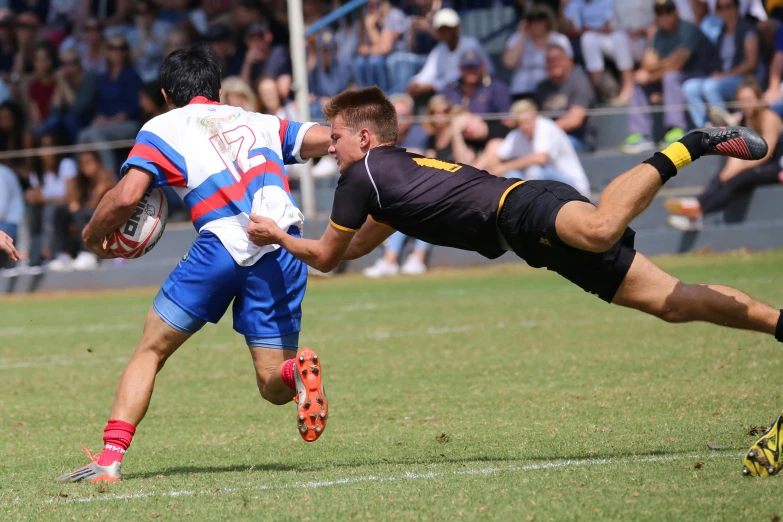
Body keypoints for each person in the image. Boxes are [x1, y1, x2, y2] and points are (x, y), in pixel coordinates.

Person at [247, 88, 783, 479]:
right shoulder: (393, 174)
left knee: (599, 229)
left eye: (335, 137)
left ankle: (693, 142)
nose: (328, 147)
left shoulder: (359, 176)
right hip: (527, 236)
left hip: (523, 205)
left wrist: (275, 234)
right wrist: (305, 244)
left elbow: (325, 256)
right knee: (671, 303)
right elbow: (357, 245)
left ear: (363, 136)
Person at [55, 45, 332, 483]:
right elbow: (323, 137)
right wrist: (353, 138)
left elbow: (126, 197)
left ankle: (109, 460)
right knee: (271, 385)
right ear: (219, 90)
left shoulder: (164, 126)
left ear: (167, 94)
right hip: (282, 246)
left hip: (220, 246)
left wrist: (91, 237)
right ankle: (294, 371)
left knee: (151, 350)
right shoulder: (256, 120)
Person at [665, 79, 783, 230]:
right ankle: (695, 210)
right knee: (722, 177)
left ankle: (697, 207)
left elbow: (766, 154)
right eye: (741, 101)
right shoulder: (744, 119)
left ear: (758, 99)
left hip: (774, 167)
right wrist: (730, 170)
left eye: (748, 100)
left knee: (738, 178)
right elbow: (737, 152)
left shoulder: (769, 117)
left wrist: (738, 169)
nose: (745, 104)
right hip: (754, 165)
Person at [621, 0, 719, 154]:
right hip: (676, 77)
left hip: (701, 74)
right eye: (660, 13)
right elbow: (648, 63)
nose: (665, 17)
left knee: (670, 77)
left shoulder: (688, 29)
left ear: (676, 13)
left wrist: (654, 71)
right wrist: (655, 69)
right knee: (640, 81)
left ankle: (676, 129)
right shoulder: (659, 34)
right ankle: (641, 134)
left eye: (668, 12)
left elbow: (678, 63)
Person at [476, 100, 591, 197]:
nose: (525, 126)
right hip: (546, 187)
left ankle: (530, 206)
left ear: (535, 117)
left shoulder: (545, 126)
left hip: (573, 185)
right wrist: (483, 172)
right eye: (521, 123)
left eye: (528, 121)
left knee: (534, 171)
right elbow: (497, 155)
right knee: (511, 174)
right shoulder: (517, 134)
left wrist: (504, 167)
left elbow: (540, 159)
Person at [682, 0, 758, 128]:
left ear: (737, 7)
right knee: (689, 87)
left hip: (743, 78)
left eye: (729, 6)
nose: (725, 11)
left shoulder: (747, 30)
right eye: (720, 7)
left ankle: (724, 127)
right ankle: (704, 127)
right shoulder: (720, 31)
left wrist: (725, 75)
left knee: (711, 86)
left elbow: (751, 64)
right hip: (721, 77)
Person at [406, 8, 493, 102]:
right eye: (441, 29)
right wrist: (415, 83)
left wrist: (433, 85)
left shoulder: (470, 45)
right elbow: (428, 73)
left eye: (448, 29)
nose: (444, 32)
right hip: (450, 93)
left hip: (476, 91)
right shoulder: (439, 49)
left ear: (456, 28)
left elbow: (463, 75)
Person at [565, 0, 636, 104]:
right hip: (585, 42)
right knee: (588, 39)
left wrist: (587, 30)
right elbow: (571, 28)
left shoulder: (607, 2)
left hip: (610, 39)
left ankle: (628, 85)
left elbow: (608, 27)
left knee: (619, 37)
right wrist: (563, 5)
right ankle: (597, 88)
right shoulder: (574, 3)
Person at [502, 4, 572, 101]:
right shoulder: (517, 38)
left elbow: (569, 65)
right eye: (532, 21)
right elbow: (509, 63)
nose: (535, 25)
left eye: (540, 21)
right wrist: (522, 35)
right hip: (523, 90)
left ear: (548, 22)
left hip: (551, 88)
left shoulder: (559, 39)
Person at [535, 42, 596, 152]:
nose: (554, 63)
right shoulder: (542, 87)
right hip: (548, 139)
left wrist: (543, 133)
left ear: (569, 61)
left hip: (578, 140)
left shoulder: (579, 81)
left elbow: (575, 120)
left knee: (546, 148)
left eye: (558, 59)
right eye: (549, 60)